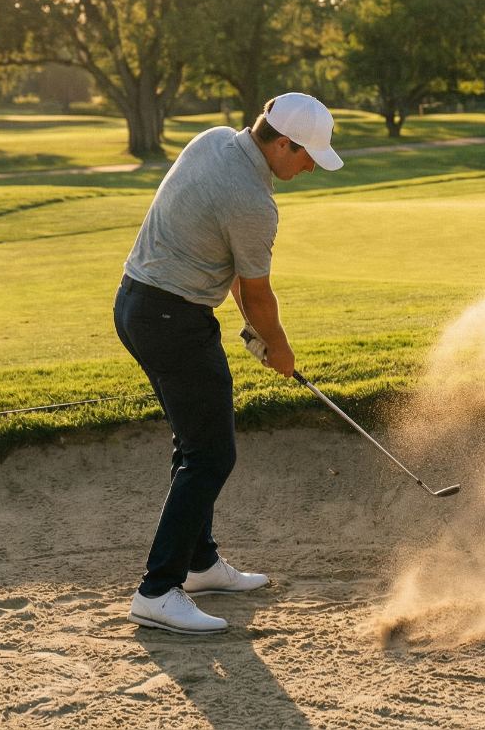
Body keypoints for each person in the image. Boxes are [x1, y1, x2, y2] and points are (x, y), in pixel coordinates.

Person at [113, 92, 342, 634]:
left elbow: (233, 272)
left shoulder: (214, 140)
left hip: (137, 303)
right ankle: (157, 590)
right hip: (173, 321)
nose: (310, 166)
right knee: (211, 455)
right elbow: (258, 294)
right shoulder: (254, 204)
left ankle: (199, 564)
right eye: (307, 155)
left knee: (194, 443)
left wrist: (256, 335)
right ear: (282, 143)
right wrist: (278, 347)